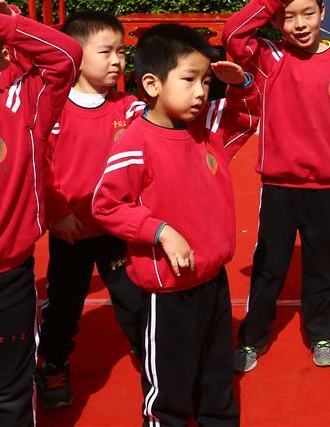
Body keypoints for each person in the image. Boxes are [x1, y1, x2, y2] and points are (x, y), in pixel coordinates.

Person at [92, 24, 259, 426]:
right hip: (166, 289)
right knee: (170, 384)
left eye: (205, 81)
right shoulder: (136, 141)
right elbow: (106, 204)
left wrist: (243, 84)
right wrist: (160, 230)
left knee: (218, 378)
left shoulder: (209, 132)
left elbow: (249, 116)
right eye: (189, 79)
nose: (201, 91)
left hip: (213, 281)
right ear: (151, 84)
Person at [223, 0, 330, 371]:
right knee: (269, 266)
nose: (300, 24)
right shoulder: (270, 58)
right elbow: (232, 36)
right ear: (276, 21)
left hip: (323, 186)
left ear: (322, 11)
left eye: (307, 13)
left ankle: (322, 333)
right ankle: (253, 337)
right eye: (289, 17)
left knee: (324, 263)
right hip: (278, 185)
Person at [36, 11, 146, 410]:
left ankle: (150, 355)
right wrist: (58, 212)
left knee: (134, 299)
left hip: (116, 229)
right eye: (107, 51)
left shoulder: (129, 106)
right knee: (64, 305)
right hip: (71, 230)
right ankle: (52, 363)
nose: (118, 60)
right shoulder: (53, 108)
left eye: (122, 51)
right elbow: (42, 168)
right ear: (76, 57)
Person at [0, 0, 82, 426]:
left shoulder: (21, 105)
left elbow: (65, 56)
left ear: (2, 52)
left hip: (3, 283)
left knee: (6, 395)